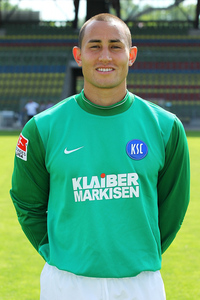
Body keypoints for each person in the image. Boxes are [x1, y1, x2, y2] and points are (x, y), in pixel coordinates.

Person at [10, 13, 190, 300]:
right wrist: (58, 251)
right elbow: (26, 202)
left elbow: (173, 206)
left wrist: (138, 253)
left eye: (115, 46)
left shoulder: (166, 127)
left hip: (140, 282)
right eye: (95, 46)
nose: (105, 56)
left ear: (131, 55)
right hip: (66, 282)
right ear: (78, 55)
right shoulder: (42, 128)